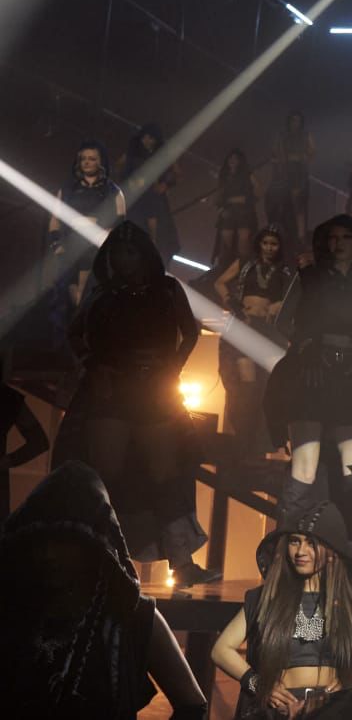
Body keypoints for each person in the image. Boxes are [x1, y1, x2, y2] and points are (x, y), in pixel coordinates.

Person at [54, 221, 217, 587]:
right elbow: (75, 334)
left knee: (166, 475)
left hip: (155, 392)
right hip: (110, 393)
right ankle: (99, 557)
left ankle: (182, 562)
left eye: (129, 252)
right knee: (104, 476)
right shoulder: (103, 294)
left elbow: (189, 333)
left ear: (143, 254)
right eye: (117, 253)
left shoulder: (167, 290)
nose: (123, 260)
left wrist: (172, 367)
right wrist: (95, 367)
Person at [0, 462, 207, 719]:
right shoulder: (13, 609)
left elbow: (192, 706)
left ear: (92, 543)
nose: (49, 555)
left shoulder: (134, 616)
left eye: (65, 541)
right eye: (43, 541)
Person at [210, 501, 352, 718]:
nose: (301, 551)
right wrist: (257, 684)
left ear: (332, 550)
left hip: (334, 711)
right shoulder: (267, 597)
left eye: (311, 543)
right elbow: (221, 650)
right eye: (294, 541)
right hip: (278, 711)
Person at [266, 216, 352, 536]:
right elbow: (283, 321)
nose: (338, 243)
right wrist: (306, 345)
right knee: (305, 466)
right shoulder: (310, 276)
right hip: (312, 374)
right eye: (333, 237)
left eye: (346, 237)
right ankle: (285, 547)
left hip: (349, 375)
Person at [214, 225, 294, 456]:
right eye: (265, 243)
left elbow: (296, 296)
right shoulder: (245, 263)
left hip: (268, 331)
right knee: (246, 387)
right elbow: (219, 282)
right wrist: (232, 303)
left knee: (265, 389)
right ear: (259, 244)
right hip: (245, 326)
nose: (269, 248)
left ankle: (257, 445)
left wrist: (280, 304)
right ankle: (243, 440)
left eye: (274, 244)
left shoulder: (285, 271)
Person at [47, 139, 126, 312]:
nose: (87, 162)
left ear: (100, 161)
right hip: (70, 247)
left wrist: (106, 237)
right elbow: (55, 219)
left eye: (92, 158)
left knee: (89, 293)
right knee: (68, 296)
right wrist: (55, 244)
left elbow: (120, 220)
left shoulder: (113, 191)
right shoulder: (67, 189)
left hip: (97, 248)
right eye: (84, 159)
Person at [116, 124, 181, 262]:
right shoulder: (133, 152)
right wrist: (129, 181)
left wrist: (165, 185)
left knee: (160, 235)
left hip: (154, 197)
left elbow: (176, 172)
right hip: (135, 198)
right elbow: (119, 166)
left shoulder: (162, 153)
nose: (147, 140)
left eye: (151, 138)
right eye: (145, 137)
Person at [0, 371, 50, 521]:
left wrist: (7, 461)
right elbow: (39, 442)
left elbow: (39, 442)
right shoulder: (8, 398)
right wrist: (7, 461)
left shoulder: (8, 398)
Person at [272, 111, 315, 246]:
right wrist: (282, 160)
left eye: (297, 120)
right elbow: (276, 151)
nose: (295, 123)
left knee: (299, 205)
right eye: (293, 120)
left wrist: (300, 157)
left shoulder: (306, 135)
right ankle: (282, 234)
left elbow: (312, 154)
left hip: (299, 173)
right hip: (283, 173)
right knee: (282, 204)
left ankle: (301, 236)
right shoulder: (282, 136)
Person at [213, 148, 262, 268]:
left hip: (244, 212)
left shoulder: (247, 174)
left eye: (235, 158)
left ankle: (243, 267)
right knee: (226, 242)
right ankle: (227, 266)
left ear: (240, 161)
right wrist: (221, 209)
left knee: (243, 241)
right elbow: (219, 195)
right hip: (228, 212)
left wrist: (247, 199)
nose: (232, 160)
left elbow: (258, 190)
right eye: (230, 158)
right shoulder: (224, 176)